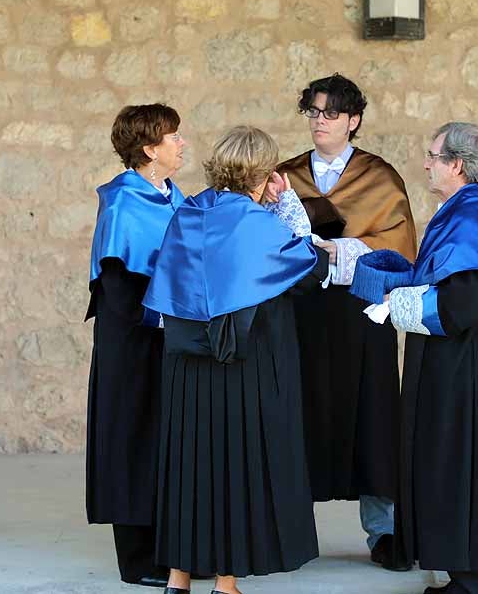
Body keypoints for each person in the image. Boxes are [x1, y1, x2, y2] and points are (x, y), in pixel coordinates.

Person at [142, 126, 328, 594]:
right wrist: (287, 206)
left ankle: (177, 578)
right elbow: (308, 264)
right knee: (233, 463)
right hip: (240, 365)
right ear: (264, 173)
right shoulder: (255, 223)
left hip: (186, 365)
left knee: (189, 463)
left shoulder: (190, 211)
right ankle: (226, 584)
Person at [275, 73, 416, 569]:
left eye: (330, 113)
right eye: (313, 112)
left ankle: (383, 531)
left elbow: (400, 245)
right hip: (300, 312)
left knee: (375, 418)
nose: (319, 121)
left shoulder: (380, 176)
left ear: (353, 120)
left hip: (362, 313)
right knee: (295, 412)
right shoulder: (284, 176)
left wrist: (343, 248)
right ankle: (287, 529)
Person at [382, 122, 478, 594]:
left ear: (457, 165)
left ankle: (475, 582)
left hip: (459, 366)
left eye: (432, 155)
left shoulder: (473, 216)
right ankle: (466, 576)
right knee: (454, 462)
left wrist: (398, 305)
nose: (425, 163)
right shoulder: (469, 210)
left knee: (459, 462)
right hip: (456, 362)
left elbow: (462, 304)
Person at [85, 104, 186, 588]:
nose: (181, 144)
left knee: (165, 439)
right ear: (150, 150)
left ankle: (171, 549)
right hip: (134, 342)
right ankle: (138, 560)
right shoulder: (125, 202)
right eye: (173, 138)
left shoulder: (170, 193)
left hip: (166, 335)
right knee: (133, 436)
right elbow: (120, 287)